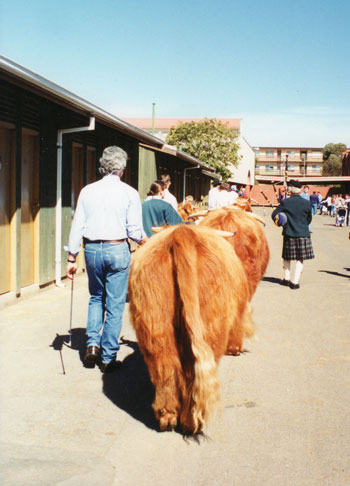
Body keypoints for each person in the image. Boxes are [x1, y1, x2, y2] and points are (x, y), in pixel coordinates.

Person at [66, 146, 147, 372]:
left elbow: (78, 225)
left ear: (103, 166)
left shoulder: (87, 191)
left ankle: (92, 344)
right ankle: (108, 357)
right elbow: (134, 231)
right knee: (115, 304)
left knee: (96, 297)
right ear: (121, 169)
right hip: (117, 248)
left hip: (92, 249)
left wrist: (72, 257)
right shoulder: (129, 193)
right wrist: (146, 242)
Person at [271, 179, 314, 290]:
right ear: (300, 190)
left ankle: (286, 279)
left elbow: (274, 214)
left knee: (287, 256)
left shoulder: (285, 202)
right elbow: (309, 219)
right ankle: (295, 282)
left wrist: (282, 223)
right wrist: (303, 225)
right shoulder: (307, 203)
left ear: (290, 190)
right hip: (303, 233)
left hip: (289, 232)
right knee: (300, 258)